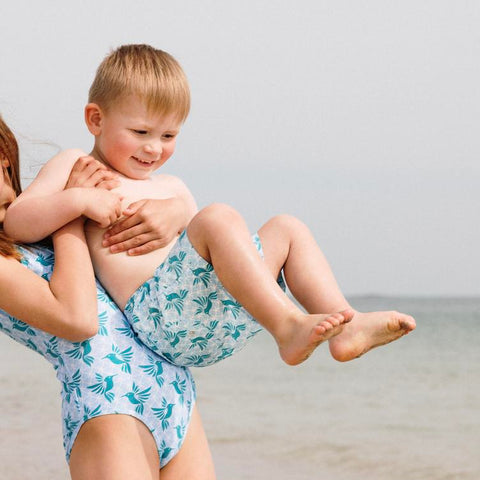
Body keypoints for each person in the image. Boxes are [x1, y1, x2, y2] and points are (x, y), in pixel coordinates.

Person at [5, 44, 416, 369]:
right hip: (162, 317)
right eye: (141, 131)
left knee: (287, 228)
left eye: (169, 135)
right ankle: (286, 325)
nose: (154, 147)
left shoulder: (171, 185)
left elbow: (212, 248)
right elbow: (19, 223)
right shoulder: (79, 167)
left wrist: (180, 209)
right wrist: (79, 199)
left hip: (214, 312)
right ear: (96, 119)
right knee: (219, 215)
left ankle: (344, 324)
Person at [0, 115, 216, 479]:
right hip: (107, 403)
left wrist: (175, 211)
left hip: (175, 392)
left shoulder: (37, 211)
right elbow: (78, 319)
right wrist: (71, 211)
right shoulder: (56, 213)